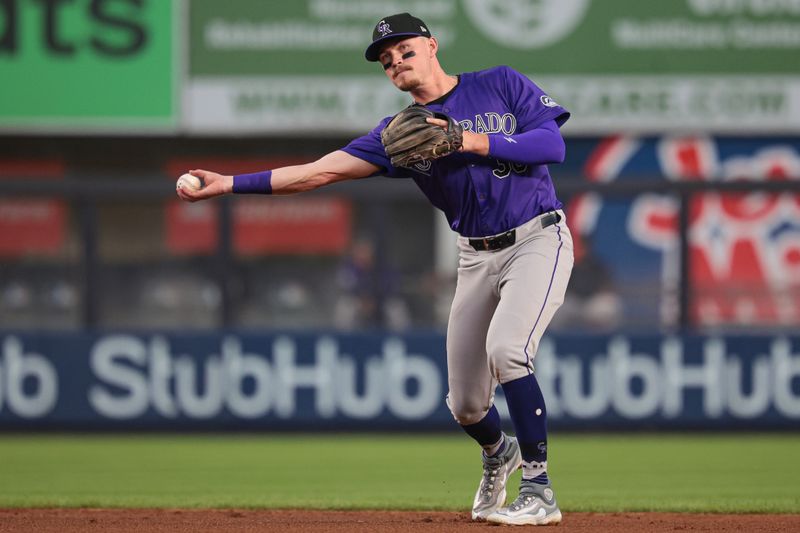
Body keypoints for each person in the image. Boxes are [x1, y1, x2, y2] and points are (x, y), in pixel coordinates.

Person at [177, 12, 573, 526]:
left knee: (508, 351)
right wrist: (229, 183)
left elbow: (552, 145)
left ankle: (540, 490)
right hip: (475, 255)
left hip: (537, 237)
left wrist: (465, 140)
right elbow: (316, 173)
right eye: (387, 61)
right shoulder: (398, 135)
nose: (396, 62)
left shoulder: (500, 83)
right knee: (467, 405)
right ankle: (499, 452)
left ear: (432, 46)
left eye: (405, 50)